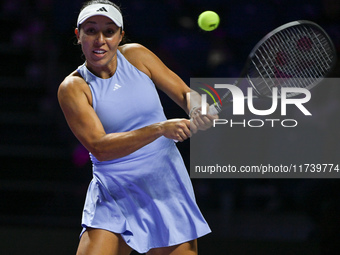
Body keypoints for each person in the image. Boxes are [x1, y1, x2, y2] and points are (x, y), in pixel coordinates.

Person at [58, 0, 217, 254]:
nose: (100, 40)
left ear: (120, 35)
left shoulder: (138, 56)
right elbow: (100, 148)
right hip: (113, 192)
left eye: (109, 31)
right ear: (79, 36)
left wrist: (198, 108)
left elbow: (186, 94)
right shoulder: (73, 88)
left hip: (164, 183)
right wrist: (159, 129)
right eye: (91, 31)